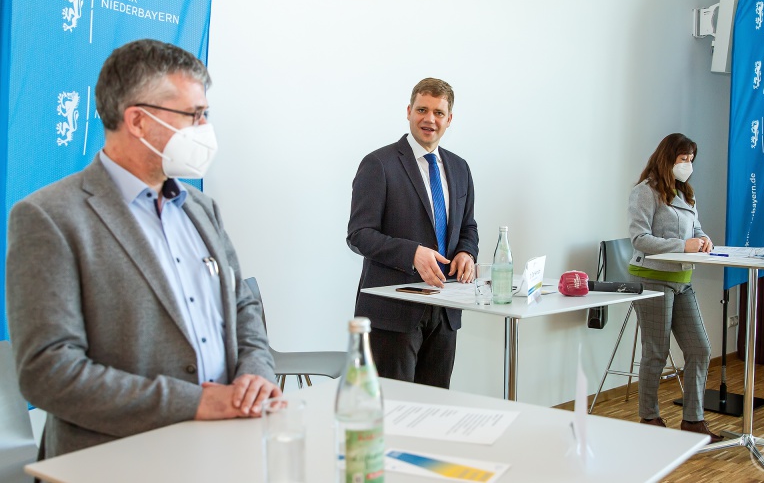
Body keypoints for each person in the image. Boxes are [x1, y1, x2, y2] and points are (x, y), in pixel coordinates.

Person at [6, 39, 281, 458]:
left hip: (218, 450)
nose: (205, 129)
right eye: (194, 115)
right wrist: (196, 402)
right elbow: (49, 373)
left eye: (206, 113)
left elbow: (242, 306)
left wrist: (255, 374)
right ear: (136, 120)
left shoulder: (201, 208)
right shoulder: (49, 217)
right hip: (111, 459)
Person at [347, 78, 479, 388]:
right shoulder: (378, 164)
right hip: (393, 311)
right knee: (394, 413)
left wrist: (466, 252)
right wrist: (412, 254)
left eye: (438, 112)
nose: (429, 119)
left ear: (449, 119)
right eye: (422, 109)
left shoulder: (460, 168)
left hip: (446, 310)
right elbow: (359, 234)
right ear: (408, 111)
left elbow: (468, 227)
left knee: (435, 409)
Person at [628, 132, 722, 443]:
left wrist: (704, 239)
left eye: (691, 161)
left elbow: (696, 229)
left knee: (700, 348)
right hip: (652, 277)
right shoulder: (645, 192)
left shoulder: (686, 194)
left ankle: (693, 421)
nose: (687, 166)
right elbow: (640, 239)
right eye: (683, 160)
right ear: (668, 158)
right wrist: (685, 245)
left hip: (683, 281)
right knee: (656, 351)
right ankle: (649, 416)